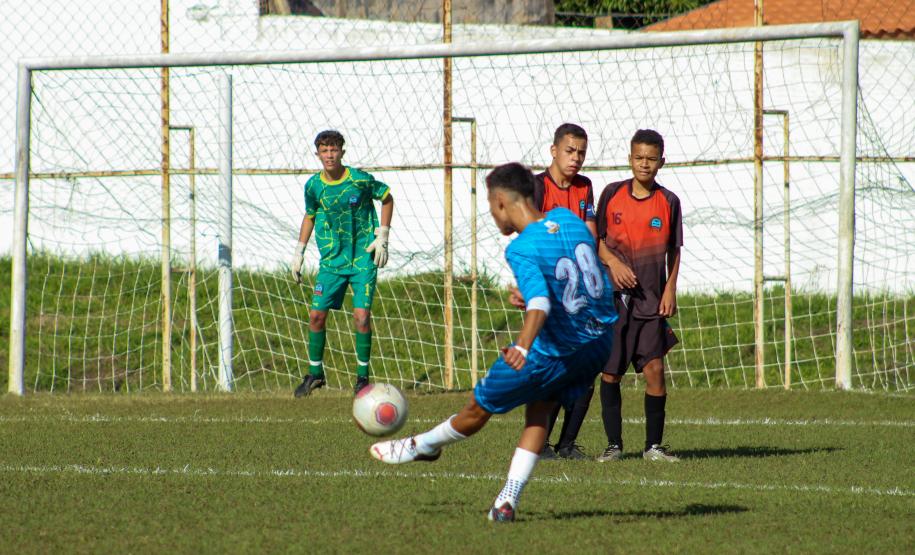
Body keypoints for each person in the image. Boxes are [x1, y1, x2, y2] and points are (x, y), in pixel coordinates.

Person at [369, 162, 617, 522]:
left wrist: (522, 346)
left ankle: (421, 446)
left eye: (490, 205)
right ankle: (507, 500)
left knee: (476, 410)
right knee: (540, 409)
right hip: (597, 344)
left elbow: (540, 303)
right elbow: (580, 276)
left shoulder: (520, 248)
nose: (492, 213)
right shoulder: (568, 219)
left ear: (501, 202)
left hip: (551, 352)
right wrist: (536, 300)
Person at [595, 129, 682, 463]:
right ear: (630, 159)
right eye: (639, 158)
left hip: (650, 300)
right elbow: (597, 239)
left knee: (655, 370)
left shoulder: (669, 201)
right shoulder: (612, 194)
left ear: (662, 161)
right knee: (610, 373)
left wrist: (670, 288)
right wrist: (613, 263)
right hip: (614, 300)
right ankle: (614, 445)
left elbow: (674, 251)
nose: (644, 164)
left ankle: (653, 447)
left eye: (651, 158)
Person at [291, 130, 394, 397]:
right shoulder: (314, 186)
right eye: (324, 151)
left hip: (363, 260)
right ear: (318, 154)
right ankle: (315, 373)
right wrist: (299, 252)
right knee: (315, 316)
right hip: (331, 263)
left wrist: (383, 234)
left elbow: (386, 197)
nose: (329, 155)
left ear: (342, 152)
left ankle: (362, 378)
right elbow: (310, 215)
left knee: (361, 317)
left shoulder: (359, 180)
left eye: (334, 150)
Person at [528, 122, 598, 461]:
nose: (576, 158)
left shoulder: (585, 187)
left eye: (581, 152)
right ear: (553, 150)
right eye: (570, 151)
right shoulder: (538, 187)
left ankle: (567, 444)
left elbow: (589, 235)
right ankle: (539, 444)